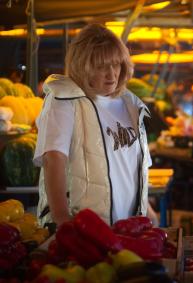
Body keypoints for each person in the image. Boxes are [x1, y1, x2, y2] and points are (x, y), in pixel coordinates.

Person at [33, 23, 158, 228]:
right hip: (83, 228)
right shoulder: (65, 100)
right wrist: (62, 218)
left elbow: (132, 165)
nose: (111, 74)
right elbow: (53, 159)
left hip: (127, 228)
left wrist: (148, 210)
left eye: (116, 64)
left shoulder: (129, 103)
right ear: (82, 66)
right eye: (101, 66)